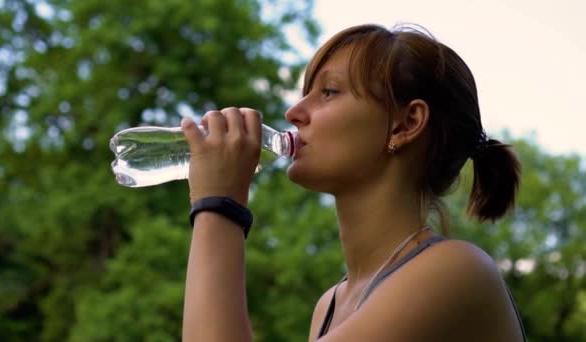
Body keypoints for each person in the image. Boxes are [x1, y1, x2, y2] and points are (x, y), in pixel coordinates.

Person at [180, 23, 526, 341]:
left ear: (405, 124)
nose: (294, 113)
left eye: (328, 92)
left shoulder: (457, 272)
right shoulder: (330, 306)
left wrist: (218, 204)